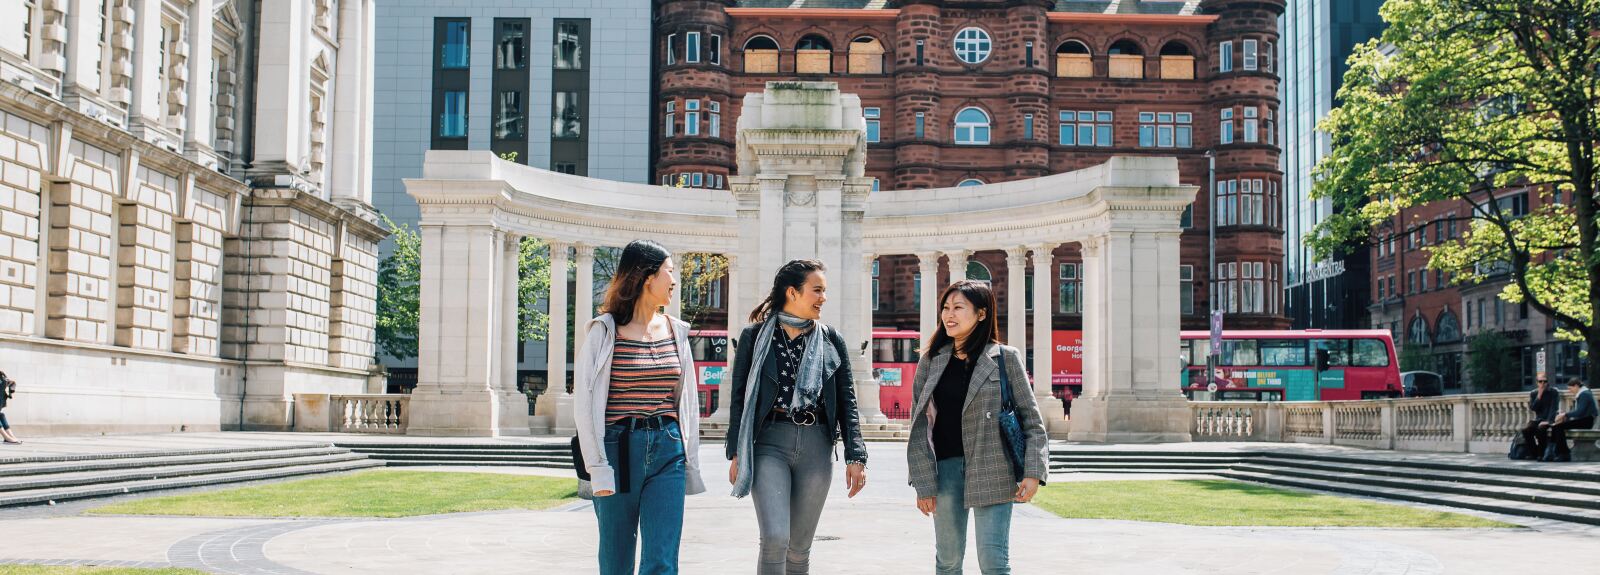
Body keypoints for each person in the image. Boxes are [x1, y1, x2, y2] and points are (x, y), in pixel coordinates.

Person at [726, 259, 868, 575]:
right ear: (793, 292)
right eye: (817, 290)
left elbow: (847, 400)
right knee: (776, 538)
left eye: (825, 291)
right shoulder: (755, 336)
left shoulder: (833, 339)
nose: (823, 298)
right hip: (768, 443)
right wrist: (736, 451)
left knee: (799, 548)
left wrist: (856, 456)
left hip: (817, 445)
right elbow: (739, 398)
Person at [573, 240, 705, 575]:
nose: (674, 281)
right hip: (618, 450)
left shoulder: (677, 332)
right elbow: (585, 407)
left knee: (661, 560)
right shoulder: (604, 332)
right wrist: (597, 467)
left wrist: (690, 459)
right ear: (648, 277)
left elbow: (686, 403)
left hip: (668, 448)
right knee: (616, 560)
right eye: (669, 273)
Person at [906, 280, 1049, 575]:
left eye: (958, 308)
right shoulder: (931, 361)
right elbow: (919, 426)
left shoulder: (1005, 358)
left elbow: (1031, 420)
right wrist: (922, 482)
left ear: (981, 314)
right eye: (946, 308)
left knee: (994, 562)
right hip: (944, 471)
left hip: (994, 468)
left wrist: (1034, 472)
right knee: (947, 561)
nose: (949, 315)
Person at [1545, 378, 1598, 462]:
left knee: (1559, 427)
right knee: (1556, 426)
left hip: (1586, 421)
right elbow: (1578, 413)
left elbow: (1580, 412)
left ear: (1576, 386)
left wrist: (1565, 414)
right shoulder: (1583, 393)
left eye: (1570, 388)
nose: (1570, 391)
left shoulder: (1584, 394)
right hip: (1583, 420)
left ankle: (1563, 453)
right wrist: (1566, 416)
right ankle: (1552, 453)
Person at [1520, 376, 1561, 460]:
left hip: (1550, 419)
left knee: (1541, 430)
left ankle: (1541, 454)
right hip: (1539, 419)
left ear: (1547, 382)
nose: (1543, 383)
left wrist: (1548, 421)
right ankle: (1533, 453)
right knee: (1526, 430)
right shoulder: (1534, 393)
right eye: (1540, 381)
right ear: (1537, 383)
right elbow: (1533, 408)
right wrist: (1539, 395)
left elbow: (1554, 408)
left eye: (1545, 381)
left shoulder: (1553, 392)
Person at [0, 372, 18, 445]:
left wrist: (11, 384)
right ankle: (6, 436)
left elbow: (8, 382)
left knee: (1, 415)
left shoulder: (1, 374)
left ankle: (10, 435)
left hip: (1, 400)